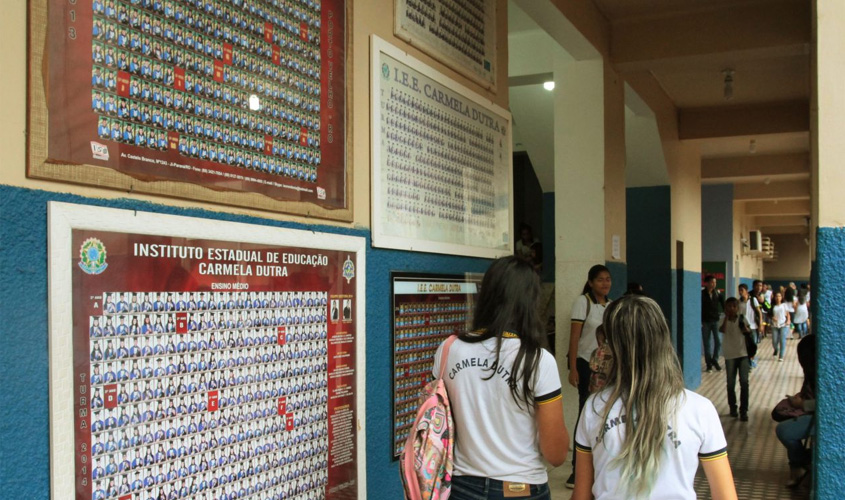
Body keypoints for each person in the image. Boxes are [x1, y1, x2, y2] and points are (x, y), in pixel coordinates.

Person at [572, 296, 738, 500]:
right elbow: (726, 496)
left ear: (614, 347)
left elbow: (581, 495)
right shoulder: (699, 409)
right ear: (664, 341)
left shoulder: (595, 407)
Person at [433, 256, 569, 500]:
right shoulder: (538, 360)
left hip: (461, 487)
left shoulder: (448, 350)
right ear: (529, 301)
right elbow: (556, 454)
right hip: (522, 488)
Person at [567, 264, 612, 489]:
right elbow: (575, 338)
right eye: (600, 280)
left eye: (608, 279)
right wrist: (572, 367)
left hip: (607, 367)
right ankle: (577, 469)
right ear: (591, 282)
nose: (605, 283)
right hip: (586, 365)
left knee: (603, 412)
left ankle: (598, 463)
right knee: (585, 411)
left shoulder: (612, 306)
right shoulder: (582, 303)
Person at [775, 334, 815, 488]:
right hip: (810, 413)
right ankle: (800, 463)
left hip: (819, 417)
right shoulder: (812, 372)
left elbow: (829, 404)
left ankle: (800, 462)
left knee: (784, 430)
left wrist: (802, 404)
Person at [720, 297, 751, 421]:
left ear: (737, 308)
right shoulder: (723, 319)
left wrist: (745, 329)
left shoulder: (742, 319)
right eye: (728, 306)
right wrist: (727, 318)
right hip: (729, 355)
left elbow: (748, 332)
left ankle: (744, 410)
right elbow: (722, 330)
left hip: (743, 354)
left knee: (744, 383)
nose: (731, 309)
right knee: (730, 383)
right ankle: (733, 407)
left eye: (733, 306)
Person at [701, 275, 725, 372]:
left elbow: (724, 305)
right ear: (706, 283)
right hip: (705, 321)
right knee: (707, 344)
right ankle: (709, 364)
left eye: (715, 282)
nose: (714, 284)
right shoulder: (702, 294)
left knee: (718, 341)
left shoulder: (718, 294)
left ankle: (715, 360)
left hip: (715, 320)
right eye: (712, 282)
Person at [771, 291, 791, 362]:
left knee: (782, 340)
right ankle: (776, 349)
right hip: (774, 325)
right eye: (776, 296)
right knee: (774, 341)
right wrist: (772, 317)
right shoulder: (772, 305)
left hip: (783, 324)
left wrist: (788, 320)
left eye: (779, 296)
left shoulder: (784, 305)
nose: (778, 298)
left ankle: (781, 355)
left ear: (781, 297)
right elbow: (769, 314)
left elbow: (788, 314)